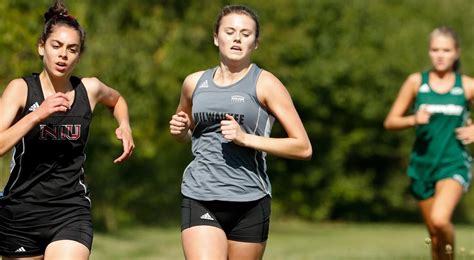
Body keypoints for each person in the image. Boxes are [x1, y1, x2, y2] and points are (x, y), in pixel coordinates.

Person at [169, 4, 312, 260]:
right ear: (216, 37)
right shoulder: (194, 83)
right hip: (200, 193)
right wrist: (180, 132)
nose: (237, 38)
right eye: (230, 31)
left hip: (249, 198)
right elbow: (188, 130)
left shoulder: (266, 84)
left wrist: (245, 138)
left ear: (255, 43)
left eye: (246, 34)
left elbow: (303, 147)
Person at [0, 0, 134, 259]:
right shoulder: (21, 89)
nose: (63, 54)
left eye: (72, 49)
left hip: (71, 210)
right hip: (21, 211)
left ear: (79, 55)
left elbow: (117, 100)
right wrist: (37, 115)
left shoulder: (90, 89)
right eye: (56, 46)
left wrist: (125, 125)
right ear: (41, 47)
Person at [384, 26, 474, 260]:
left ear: (456, 53)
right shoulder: (416, 82)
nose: (440, 55)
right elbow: (390, 121)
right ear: (429, 52)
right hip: (422, 165)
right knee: (434, 235)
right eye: (435, 50)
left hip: (453, 163)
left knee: (440, 220)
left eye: (446, 50)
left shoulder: (466, 85)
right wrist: (415, 119)